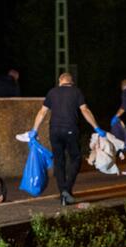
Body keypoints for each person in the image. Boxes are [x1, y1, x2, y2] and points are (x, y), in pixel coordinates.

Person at [30, 72, 106, 206]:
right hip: (71, 130)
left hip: (54, 131)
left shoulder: (52, 92)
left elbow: (42, 112)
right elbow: (85, 110)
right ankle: (67, 189)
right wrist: (96, 127)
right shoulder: (76, 92)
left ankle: (63, 195)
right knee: (75, 158)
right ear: (72, 82)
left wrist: (34, 130)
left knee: (59, 161)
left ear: (60, 81)